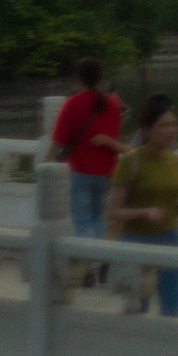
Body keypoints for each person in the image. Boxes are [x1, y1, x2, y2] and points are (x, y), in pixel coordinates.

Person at [106, 94, 178, 317]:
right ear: (146, 130)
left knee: (173, 306)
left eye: (174, 124)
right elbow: (113, 210)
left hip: (171, 238)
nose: (172, 130)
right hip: (137, 240)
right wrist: (144, 212)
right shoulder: (131, 162)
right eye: (164, 125)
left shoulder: (176, 161)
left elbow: (173, 211)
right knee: (137, 308)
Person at [50, 58, 127, 264]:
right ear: (101, 78)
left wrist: (46, 161)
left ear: (79, 79)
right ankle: (100, 261)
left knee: (82, 220)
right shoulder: (112, 104)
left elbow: (59, 140)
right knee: (99, 217)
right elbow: (115, 135)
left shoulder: (73, 103)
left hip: (81, 171)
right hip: (106, 172)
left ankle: (85, 266)